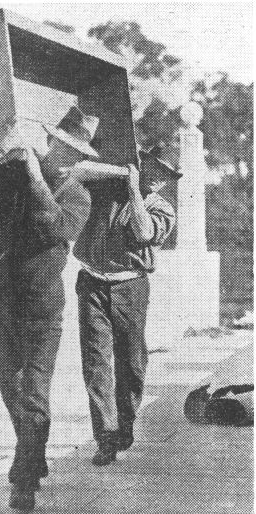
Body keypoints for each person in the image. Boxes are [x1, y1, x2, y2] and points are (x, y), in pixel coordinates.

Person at [0, 106, 98, 512]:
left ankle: (25, 478)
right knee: (10, 388)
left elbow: (53, 228)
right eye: (63, 146)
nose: (67, 157)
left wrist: (34, 176)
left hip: (41, 308)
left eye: (77, 153)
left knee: (34, 391)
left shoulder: (77, 196)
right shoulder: (13, 172)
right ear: (51, 140)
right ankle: (32, 452)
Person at [73, 146, 182, 466]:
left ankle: (125, 423)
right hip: (92, 282)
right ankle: (105, 437)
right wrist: (121, 174)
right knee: (96, 364)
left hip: (130, 286)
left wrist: (134, 188)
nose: (159, 180)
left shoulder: (161, 206)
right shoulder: (107, 186)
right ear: (141, 164)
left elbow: (144, 231)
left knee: (132, 363)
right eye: (155, 170)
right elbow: (76, 170)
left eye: (166, 177)